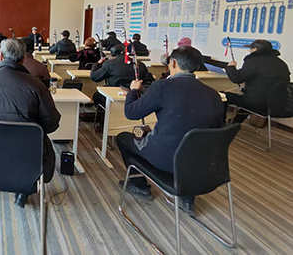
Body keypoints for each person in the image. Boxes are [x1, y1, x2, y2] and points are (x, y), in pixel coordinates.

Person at [116, 46, 224, 216]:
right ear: (197, 67)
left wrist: (133, 91)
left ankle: (139, 185)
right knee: (189, 141)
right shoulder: (213, 95)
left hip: (167, 160)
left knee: (123, 138)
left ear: (173, 63)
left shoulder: (162, 86)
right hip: (204, 164)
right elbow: (217, 130)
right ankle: (187, 198)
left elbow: (131, 113)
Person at [0, 38, 61, 208]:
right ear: (23, 59)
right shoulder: (37, 86)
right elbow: (51, 124)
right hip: (26, 160)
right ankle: (23, 191)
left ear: (1, 56)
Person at [225, 39, 290, 124]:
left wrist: (231, 67)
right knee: (251, 98)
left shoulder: (253, 61)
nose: (250, 51)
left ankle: (221, 124)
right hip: (279, 105)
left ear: (256, 49)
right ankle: (236, 122)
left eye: (251, 48)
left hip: (258, 104)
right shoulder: (282, 63)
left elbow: (237, 78)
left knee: (222, 96)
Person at [91, 44, 153, 127]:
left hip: (113, 96)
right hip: (136, 96)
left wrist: (97, 64)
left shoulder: (109, 64)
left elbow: (95, 77)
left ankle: (103, 124)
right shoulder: (139, 64)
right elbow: (148, 79)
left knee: (97, 96)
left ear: (113, 55)